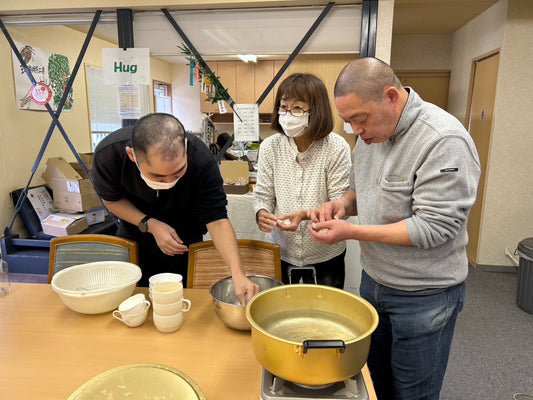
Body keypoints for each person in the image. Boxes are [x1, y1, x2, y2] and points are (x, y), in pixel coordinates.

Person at [308, 58, 481, 399]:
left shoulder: (443, 140)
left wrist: (351, 231)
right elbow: (361, 191)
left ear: (391, 96)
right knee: (374, 383)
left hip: (425, 296)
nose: (356, 131)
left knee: (414, 393)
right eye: (348, 123)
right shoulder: (371, 137)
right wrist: (342, 206)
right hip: (375, 285)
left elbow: (433, 228)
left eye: (360, 119)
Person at [91, 113, 259, 304]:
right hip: (135, 233)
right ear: (132, 156)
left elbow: (217, 220)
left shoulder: (202, 160)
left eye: (179, 171)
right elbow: (112, 200)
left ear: (186, 147)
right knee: (132, 301)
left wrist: (237, 273)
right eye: (158, 177)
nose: (170, 182)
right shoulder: (109, 155)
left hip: (184, 240)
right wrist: (150, 224)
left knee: (178, 301)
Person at [253, 73, 352, 288]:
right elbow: (263, 194)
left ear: (316, 110)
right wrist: (261, 213)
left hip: (324, 252)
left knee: (323, 315)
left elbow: (339, 204)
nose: (288, 114)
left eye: (297, 108)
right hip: (280, 250)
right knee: (279, 313)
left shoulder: (335, 147)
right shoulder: (270, 147)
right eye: (284, 106)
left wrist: (306, 215)